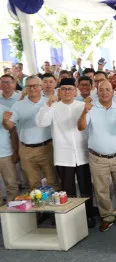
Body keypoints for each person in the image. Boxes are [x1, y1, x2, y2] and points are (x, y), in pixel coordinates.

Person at [35, 78, 96, 228]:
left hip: (83, 154)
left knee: (85, 188)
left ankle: (88, 215)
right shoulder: (53, 107)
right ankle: (70, 217)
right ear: (59, 91)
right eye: (64, 89)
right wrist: (47, 104)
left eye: (70, 89)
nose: (67, 92)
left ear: (75, 91)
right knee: (67, 190)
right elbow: (41, 123)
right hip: (63, 156)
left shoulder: (83, 106)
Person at [77, 80, 116, 232]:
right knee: (101, 189)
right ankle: (107, 217)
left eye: (108, 89)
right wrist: (84, 112)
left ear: (113, 92)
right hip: (97, 157)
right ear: (97, 92)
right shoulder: (90, 109)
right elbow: (80, 127)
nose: (105, 92)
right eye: (101, 90)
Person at [2, 76, 60, 191]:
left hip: (47, 147)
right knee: (33, 185)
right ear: (25, 88)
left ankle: (55, 208)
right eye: (28, 86)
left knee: (53, 182)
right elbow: (9, 126)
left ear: (41, 87)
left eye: (35, 85)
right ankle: (39, 208)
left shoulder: (49, 103)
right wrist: (5, 121)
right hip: (26, 150)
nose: (32, 88)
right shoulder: (18, 105)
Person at [0, 103, 18, 201]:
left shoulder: (5, 110)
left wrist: (15, 151)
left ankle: (13, 212)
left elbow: (13, 132)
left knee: (11, 185)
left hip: (5, 154)